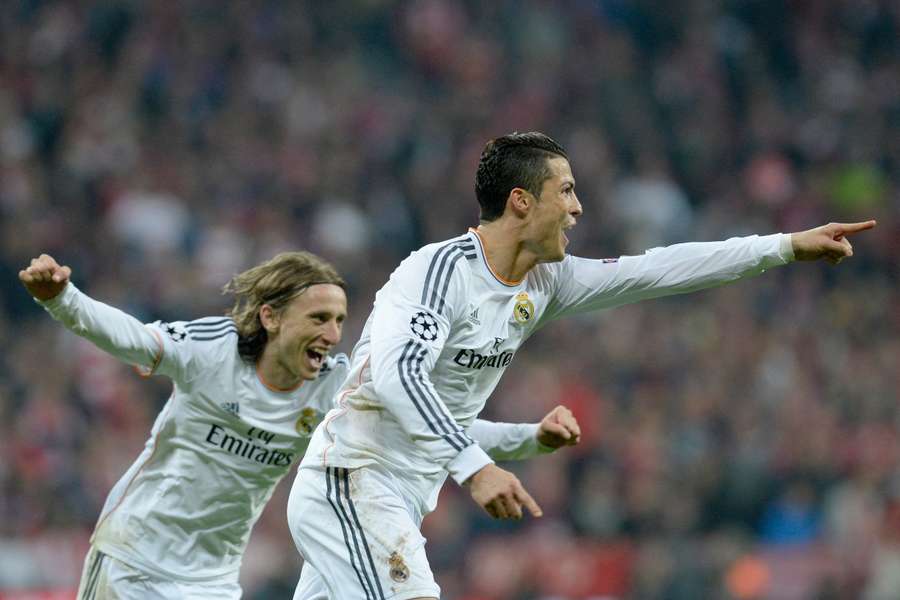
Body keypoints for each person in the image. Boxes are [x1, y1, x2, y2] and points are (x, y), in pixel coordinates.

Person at [287, 131, 877, 600]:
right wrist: (475, 470)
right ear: (521, 201)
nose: (578, 207)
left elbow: (656, 270)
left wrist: (784, 246)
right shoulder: (439, 273)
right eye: (565, 191)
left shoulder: (546, 281)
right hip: (353, 481)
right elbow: (398, 378)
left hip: (387, 497)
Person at [19, 250, 581, 599]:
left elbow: (427, 426)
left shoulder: (333, 386)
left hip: (212, 581)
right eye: (318, 318)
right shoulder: (214, 351)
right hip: (133, 559)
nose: (333, 334)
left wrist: (530, 438)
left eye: (338, 320)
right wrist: (61, 298)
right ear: (271, 316)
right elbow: (131, 338)